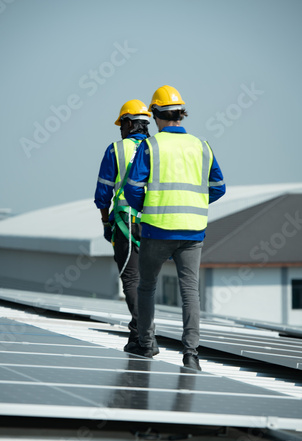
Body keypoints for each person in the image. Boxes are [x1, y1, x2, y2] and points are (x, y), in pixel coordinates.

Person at [124, 85, 226, 370]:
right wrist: (195, 201)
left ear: (155, 114)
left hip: (157, 228)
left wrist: (149, 206)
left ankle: (145, 345)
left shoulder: (151, 146)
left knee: (146, 287)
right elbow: (218, 187)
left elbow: (132, 189)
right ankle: (191, 354)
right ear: (181, 114)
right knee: (190, 292)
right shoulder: (201, 145)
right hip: (193, 230)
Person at [94, 99, 159, 354]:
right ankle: (137, 334)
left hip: (127, 223)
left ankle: (146, 336)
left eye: (122, 124)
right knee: (147, 281)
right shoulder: (157, 148)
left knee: (131, 279)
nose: (120, 130)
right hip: (156, 224)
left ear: (130, 123)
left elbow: (103, 193)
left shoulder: (115, 150)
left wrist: (105, 222)